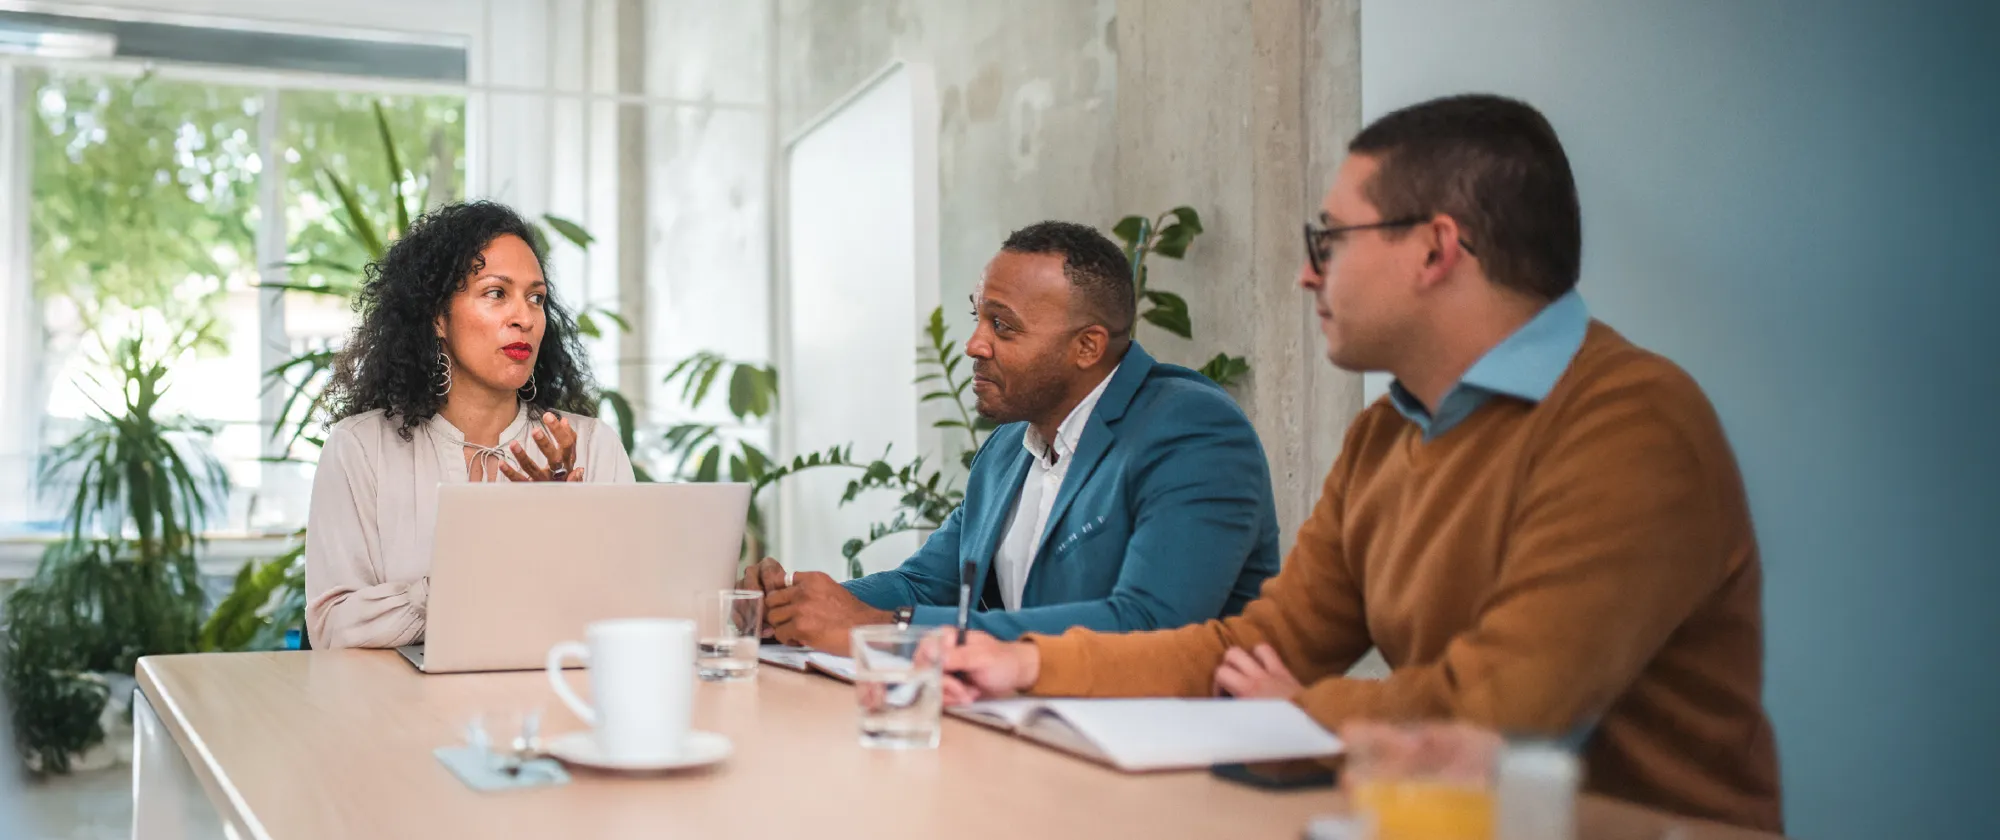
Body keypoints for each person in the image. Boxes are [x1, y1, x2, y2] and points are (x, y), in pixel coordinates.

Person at [941, 95, 1783, 832]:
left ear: (1435, 249)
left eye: (1331, 240)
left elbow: (1500, 717)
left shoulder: (1632, 423)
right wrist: (1029, 663)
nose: (1308, 275)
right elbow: (1261, 644)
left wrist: (1301, 713)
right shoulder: (1388, 433)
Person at [742, 221, 1282, 654]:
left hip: (1176, 760)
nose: (974, 345)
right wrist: (795, 607)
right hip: (1040, 738)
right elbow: (927, 585)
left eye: (1002, 326)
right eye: (977, 318)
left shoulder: (1193, 432)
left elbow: (1151, 626)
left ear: (1088, 347)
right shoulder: (1006, 451)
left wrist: (889, 625)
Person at [305, 201, 634, 650]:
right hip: (398, 715)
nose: (525, 317)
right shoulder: (360, 448)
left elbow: (628, 618)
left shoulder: (592, 446)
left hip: (555, 707)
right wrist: (483, 561)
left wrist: (562, 533)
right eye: (497, 293)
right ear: (438, 317)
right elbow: (334, 630)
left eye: (535, 298)